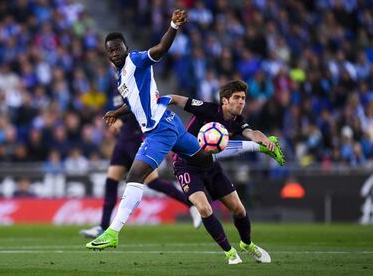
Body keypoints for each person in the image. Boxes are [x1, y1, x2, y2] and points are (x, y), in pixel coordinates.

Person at [86, 9, 215, 251]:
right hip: (170, 122)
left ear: (125, 47)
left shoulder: (136, 60)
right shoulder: (121, 77)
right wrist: (117, 113)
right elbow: (134, 102)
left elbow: (160, 49)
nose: (114, 53)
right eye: (110, 50)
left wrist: (173, 27)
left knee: (135, 176)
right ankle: (256, 144)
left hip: (159, 129)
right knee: (205, 156)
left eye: (117, 48)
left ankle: (112, 232)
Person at [166, 80, 282, 264]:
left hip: (210, 166)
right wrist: (160, 100)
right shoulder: (208, 109)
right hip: (185, 165)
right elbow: (177, 99)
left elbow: (252, 133)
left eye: (243, 98)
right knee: (204, 208)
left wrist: (265, 140)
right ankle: (230, 253)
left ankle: (247, 244)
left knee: (239, 209)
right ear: (225, 101)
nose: (241, 102)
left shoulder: (238, 122)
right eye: (236, 98)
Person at [79, 93, 202, 239]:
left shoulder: (134, 80)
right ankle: (102, 226)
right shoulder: (117, 85)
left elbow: (141, 107)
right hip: (122, 142)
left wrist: (121, 119)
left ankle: (191, 205)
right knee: (111, 181)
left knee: (153, 182)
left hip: (137, 138)